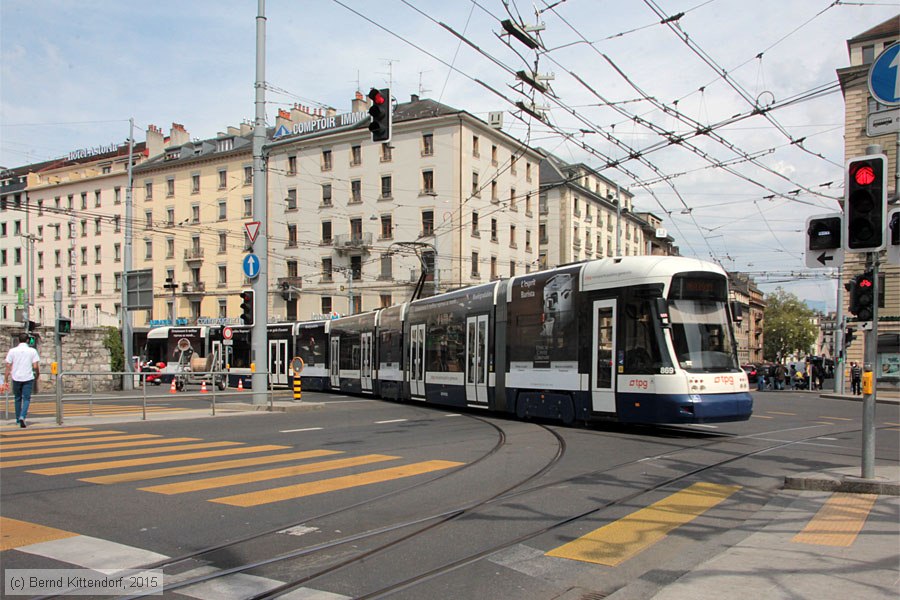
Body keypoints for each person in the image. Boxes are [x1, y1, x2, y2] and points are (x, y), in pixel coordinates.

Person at [4, 333, 40, 428]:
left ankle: (17, 419)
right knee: (27, 398)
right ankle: (22, 416)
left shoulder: (12, 351)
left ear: (19, 340)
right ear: (28, 340)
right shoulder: (32, 351)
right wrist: (37, 374)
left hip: (16, 377)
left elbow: (8, 365)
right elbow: (35, 366)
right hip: (28, 377)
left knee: (17, 398)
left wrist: (6, 378)